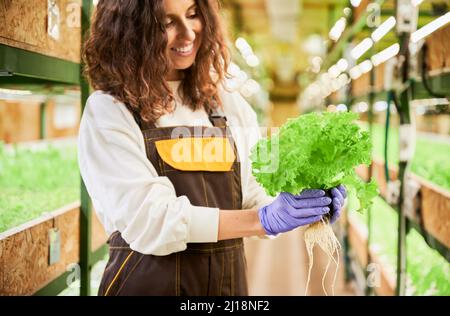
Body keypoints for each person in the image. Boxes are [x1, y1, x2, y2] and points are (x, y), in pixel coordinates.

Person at [79, 0, 346, 296]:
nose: (188, 33)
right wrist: (261, 220)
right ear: (130, 32)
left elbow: (255, 192)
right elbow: (150, 219)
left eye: (193, 15)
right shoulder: (110, 110)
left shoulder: (226, 105)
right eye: (167, 22)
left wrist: (300, 202)